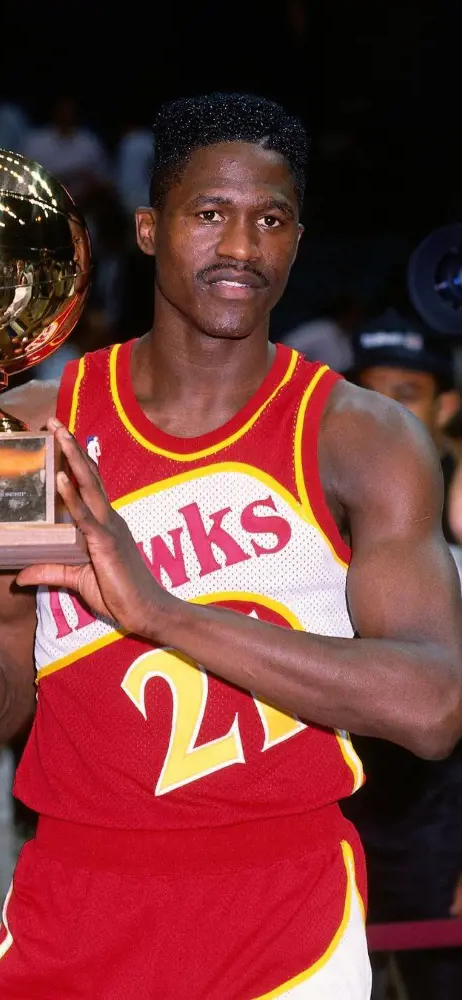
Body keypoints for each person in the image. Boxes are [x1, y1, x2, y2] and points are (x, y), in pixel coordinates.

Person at [0, 92, 462, 1000]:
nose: (241, 247)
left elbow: (435, 706)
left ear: (296, 240)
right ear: (151, 227)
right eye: (210, 214)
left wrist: (160, 612)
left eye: (269, 221)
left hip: (281, 912)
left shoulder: (361, 437)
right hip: (73, 901)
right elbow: (0, 704)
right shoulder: (38, 428)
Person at [341, 312, 462, 1000]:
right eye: (373, 393)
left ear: (445, 403)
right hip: (346, 790)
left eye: (407, 395)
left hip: (441, 807)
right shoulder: (329, 490)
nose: (389, 414)